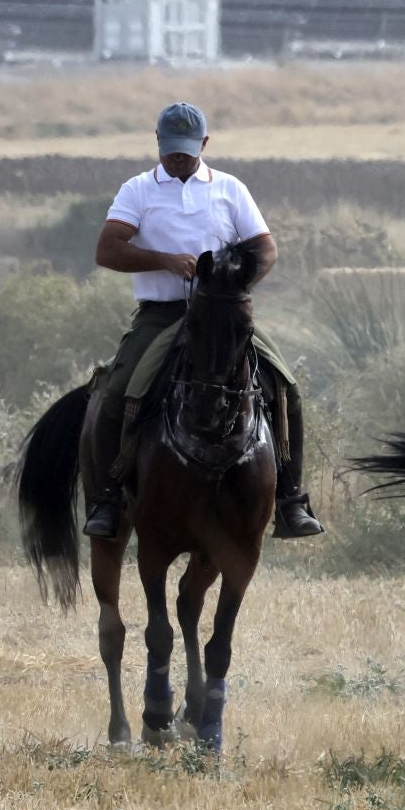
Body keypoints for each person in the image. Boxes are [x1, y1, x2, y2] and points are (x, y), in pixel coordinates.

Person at [82, 102, 322, 541]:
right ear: (158, 142)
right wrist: (164, 261)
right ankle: (108, 497)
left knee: (286, 386)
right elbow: (107, 249)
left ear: (204, 144)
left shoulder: (230, 189)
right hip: (163, 314)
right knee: (118, 390)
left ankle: (291, 500)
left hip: (222, 315)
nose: (177, 157)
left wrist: (233, 287)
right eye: (171, 149)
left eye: (187, 150)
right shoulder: (137, 190)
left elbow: (266, 249)